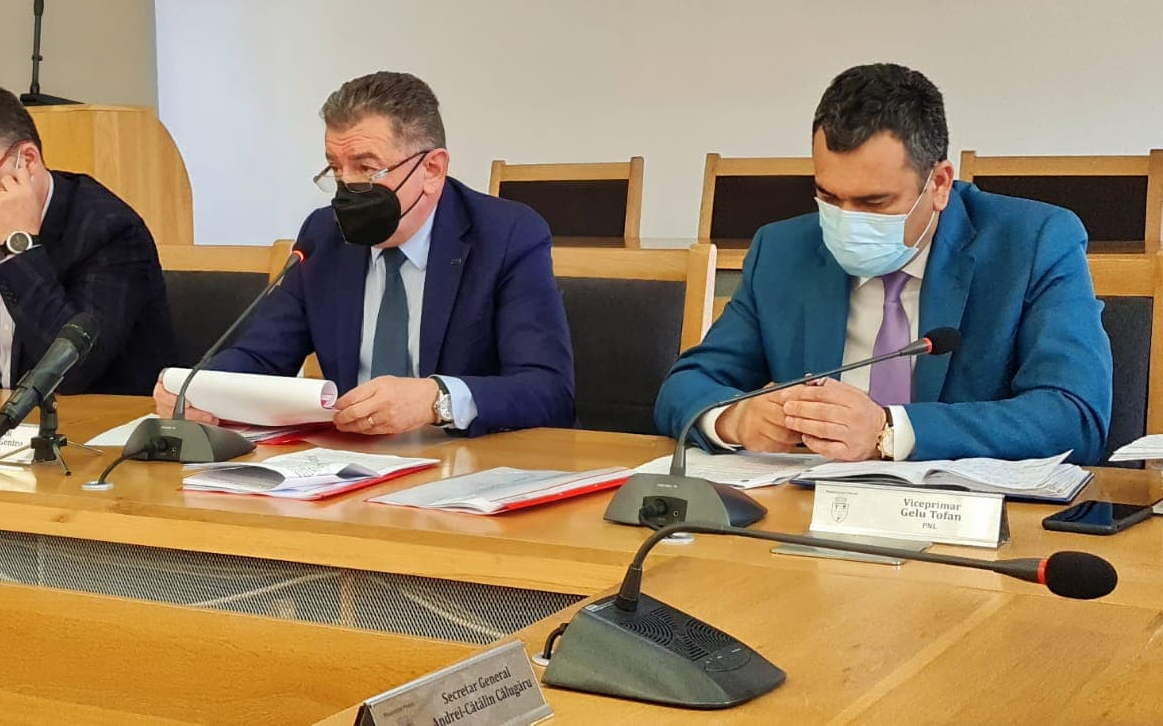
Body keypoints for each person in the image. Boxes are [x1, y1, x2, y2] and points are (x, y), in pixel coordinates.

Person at [655, 63, 1112, 464]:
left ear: (939, 184)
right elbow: (688, 384)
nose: (847, 220)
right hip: (804, 509)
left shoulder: (1033, 243)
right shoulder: (782, 250)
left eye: (874, 203)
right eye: (829, 197)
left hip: (964, 520)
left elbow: (1074, 415)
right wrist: (736, 418)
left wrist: (889, 431)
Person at [154, 71, 575, 436]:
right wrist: (200, 388)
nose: (347, 188)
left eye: (367, 168)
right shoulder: (325, 235)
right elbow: (262, 355)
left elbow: (548, 390)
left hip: (466, 467)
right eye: (336, 169)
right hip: (348, 465)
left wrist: (436, 399)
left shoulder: (506, 235)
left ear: (432, 170)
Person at [0, 85, 173, 394]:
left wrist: (20, 247)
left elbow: (71, 371)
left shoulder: (110, 231)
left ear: (28, 160)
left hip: (101, 418)